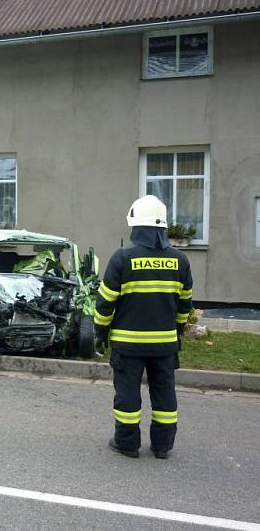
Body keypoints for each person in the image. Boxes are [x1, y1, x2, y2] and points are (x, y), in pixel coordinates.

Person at [94, 195, 193, 459]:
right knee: (164, 395)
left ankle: (127, 444)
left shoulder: (123, 258)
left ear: (136, 225)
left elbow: (105, 304)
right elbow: (185, 305)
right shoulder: (180, 260)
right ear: (162, 227)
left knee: (127, 395)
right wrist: (178, 331)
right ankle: (162, 446)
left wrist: (99, 334)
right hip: (165, 345)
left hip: (128, 345)